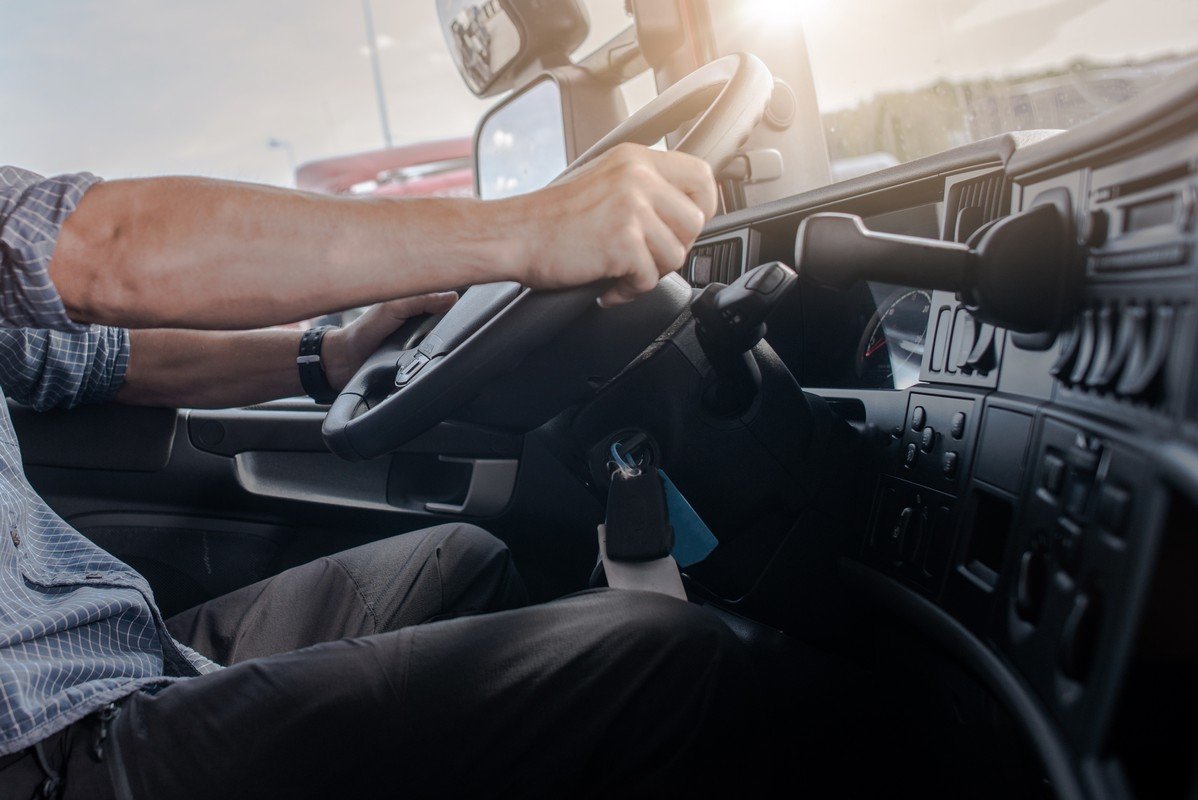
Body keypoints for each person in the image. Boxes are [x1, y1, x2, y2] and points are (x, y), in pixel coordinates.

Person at [0, 146, 756, 798]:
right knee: (665, 655)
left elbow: (102, 359)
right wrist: (530, 227)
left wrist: (328, 357)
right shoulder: (61, 248)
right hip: (41, 751)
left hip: (102, 654)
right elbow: (100, 254)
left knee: (464, 563)